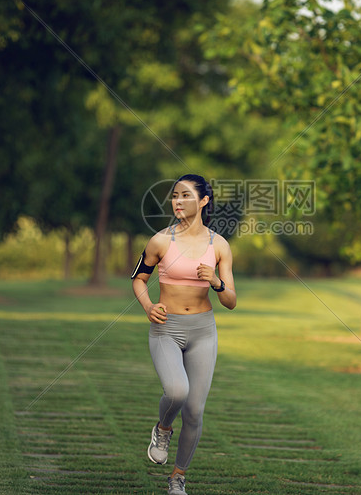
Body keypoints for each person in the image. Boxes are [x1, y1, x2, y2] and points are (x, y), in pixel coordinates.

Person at [131, 174, 237, 495]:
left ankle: (178, 476)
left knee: (195, 410)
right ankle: (163, 429)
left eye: (185, 195)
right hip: (167, 329)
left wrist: (216, 282)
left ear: (203, 201)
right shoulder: (161, 240)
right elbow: (138, 279)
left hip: (203, 331)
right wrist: (149, 305)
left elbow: (230, 300)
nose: (177, 201)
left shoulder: (219, 245)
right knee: (177, 392)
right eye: (174, 196)